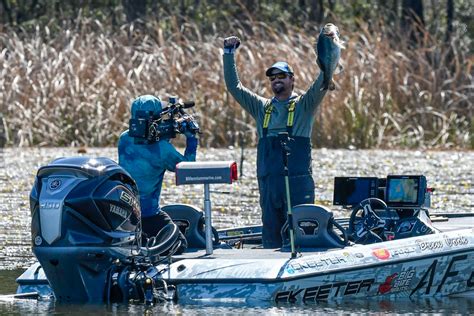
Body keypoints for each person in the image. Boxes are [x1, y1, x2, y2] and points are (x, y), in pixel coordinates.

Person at [223, 36, 335, 248]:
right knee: (271, 237)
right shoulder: (261, 107)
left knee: (301, 236)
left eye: (282, 76)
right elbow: (234, 87)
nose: (276, 80)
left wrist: (329, 47)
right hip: (269, 184)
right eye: (273, 77)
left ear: (292, 80)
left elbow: (324, 77)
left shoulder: (305, 104)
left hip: (297, 184)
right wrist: (228, 54)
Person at [118, 95, 198, 254]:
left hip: (127, 213)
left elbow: (148, 143)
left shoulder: (124, 139)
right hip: (149, 214)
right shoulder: (163, 149)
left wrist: (167, 133)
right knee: (180, 244)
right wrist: (191, 138)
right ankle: (151, 242)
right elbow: (187, 169)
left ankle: (143, 239)